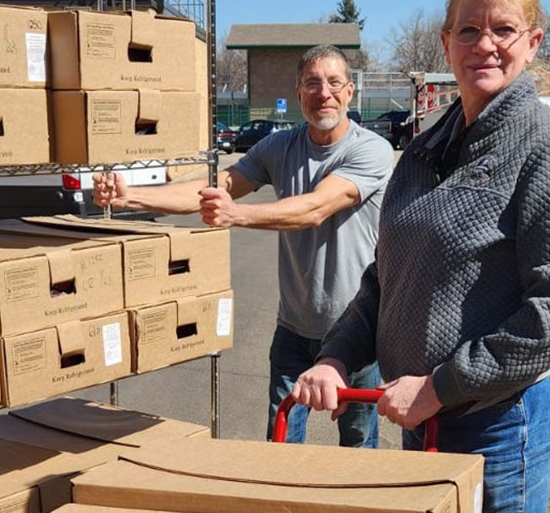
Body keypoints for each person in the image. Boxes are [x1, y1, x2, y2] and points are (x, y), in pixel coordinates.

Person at [289, 0, 550, 511]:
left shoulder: (549, 148)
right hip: (421, 414)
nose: (484, 44)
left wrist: (438, 387)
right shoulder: (424, 149)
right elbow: (385, 276)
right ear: (446, 42)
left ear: (532, 42)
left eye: (503, 29)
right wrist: (335, 357)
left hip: (498, 423)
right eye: (468, 30)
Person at [92, 45, 395, 448]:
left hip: (354, 328)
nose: (324, 92)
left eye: (334, 82)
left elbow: (315, 208)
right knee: (280, 441)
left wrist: (238, 216)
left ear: (350, 92)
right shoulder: (278, 147)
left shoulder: (370, 149)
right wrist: (130, 197)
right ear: (298, 91)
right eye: (312, 83)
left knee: (359, 444)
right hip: (294, 327)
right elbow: (214, 190)